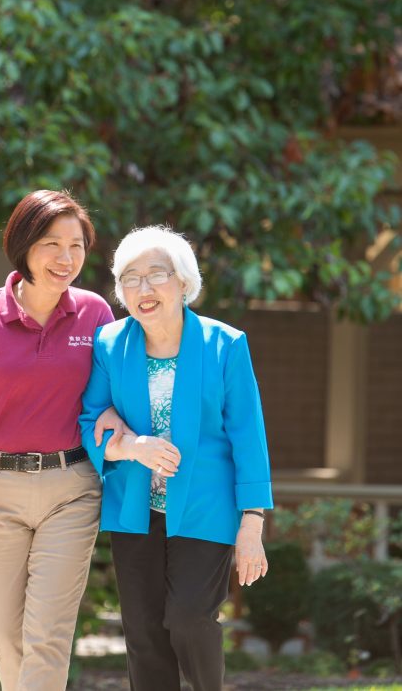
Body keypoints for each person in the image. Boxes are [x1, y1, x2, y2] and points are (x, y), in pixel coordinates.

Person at [0, 189, 124, 691]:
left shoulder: (95, 314)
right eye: (51, 244)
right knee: (6, 634)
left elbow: (111, 400)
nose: (66, 258)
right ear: (23, 245)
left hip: (72, 489)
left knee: (48, 634)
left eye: (77, 245)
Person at [79, 225, 273, 691]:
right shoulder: (109, 344)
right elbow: (89, 421)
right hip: (134, 508)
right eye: (130, 278)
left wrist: (252, 522)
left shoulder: (225, 345)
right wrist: (130, 447)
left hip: (205, 508)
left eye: (156, 275)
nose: (143, 289)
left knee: (188, 618)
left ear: (184, 281)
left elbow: (249, 437)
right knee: (144, 635)